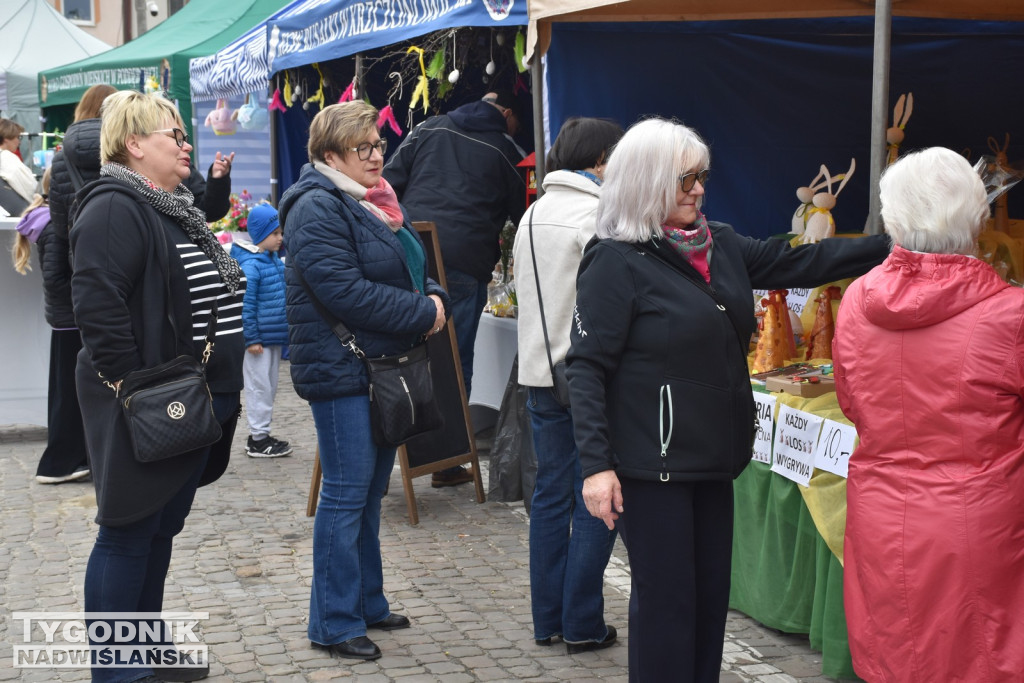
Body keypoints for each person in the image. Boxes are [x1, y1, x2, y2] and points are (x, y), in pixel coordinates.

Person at [568, 117, 891, 683]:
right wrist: (597, 467)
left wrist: (894, 245)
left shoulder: (719, 243)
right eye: (685, 179)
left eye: (702, 176)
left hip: (716, 462)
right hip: (654, 468)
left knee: (707, 604)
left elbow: (801, 262)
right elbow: (586, 367)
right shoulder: (614, 260)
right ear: (647, 181)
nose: (699, 189)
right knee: (668, 610)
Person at [70, 90, 245, 683]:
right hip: (148, 399)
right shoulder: (114, 206)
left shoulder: (171, 205)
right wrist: (134, 386)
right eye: (174, 134)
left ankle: (144, 652)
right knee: (127, 532)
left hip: (187, 398)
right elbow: (97, 306)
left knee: (158, 531)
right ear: (134, 144)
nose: (186, 144)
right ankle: (118, 671)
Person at [832, 147, 1024, 681]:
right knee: (981, 659)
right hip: (978, 519)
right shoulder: (1011, 314)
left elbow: (851, 402)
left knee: (897, 658)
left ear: (892, 219)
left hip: (882, 512)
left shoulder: (857, 300)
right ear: (978, 218)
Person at [279, 101, 450, 661]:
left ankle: (367, 602)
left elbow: (408, 269)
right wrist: (424, 312)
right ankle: (333, 622)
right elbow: (345, 292)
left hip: (376, 366)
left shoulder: (370, 200)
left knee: (369, 492)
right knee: (346, 494)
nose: (377, 156)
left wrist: (434, 297)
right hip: (342, 370)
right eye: (363, 148)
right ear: (331, 156)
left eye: (378, 144)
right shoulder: (316, 206)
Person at [511, 117, 624, 654]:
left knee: (551, 496)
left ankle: (548, 620)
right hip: (586, 375)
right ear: (600, 160)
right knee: (600, 496)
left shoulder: (533, 212)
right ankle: (581, 621)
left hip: (539, 372)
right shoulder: (599, 215)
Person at [383, 88, 526, 487]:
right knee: (453, 360)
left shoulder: (429, 128)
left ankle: (387, 451)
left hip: (411, 250)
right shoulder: (507, 149)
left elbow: (386, 183)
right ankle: (445, 463)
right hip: (463, 261)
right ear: (508, 115)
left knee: (397, 353)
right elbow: (526, 214)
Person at [10, 168, 91, 484]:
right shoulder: (54, 227)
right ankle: (61, 463)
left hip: (66, 319)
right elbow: (58, 279)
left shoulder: (48, 222)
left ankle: (70, 459)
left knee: (68, 392)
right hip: (71, 320)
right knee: (70, 394)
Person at [230, 202, 292, 458]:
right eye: (275, 233)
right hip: (258, 342)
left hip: (272, 337)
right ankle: (258, 438)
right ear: (260, 234)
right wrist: (252, 338)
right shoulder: (253, 265)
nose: (280, 238)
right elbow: (246, 304)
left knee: (269, 386)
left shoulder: (271, 260)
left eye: (281, 232)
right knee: (259, 387)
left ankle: (261, 434)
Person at [0, 117, 38, 212]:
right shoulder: (7, 158)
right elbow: (31, 188)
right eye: (18, 137)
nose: (19, 142)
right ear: (6, 139)